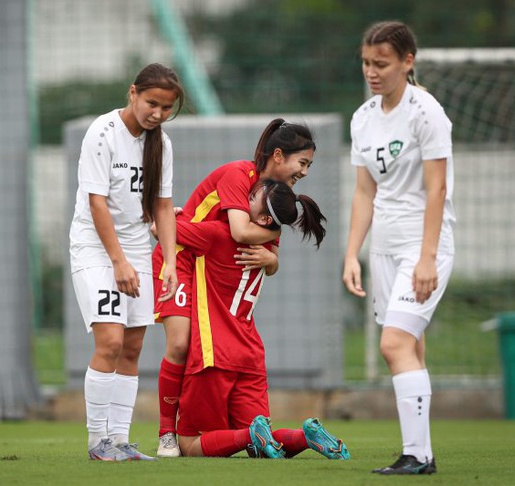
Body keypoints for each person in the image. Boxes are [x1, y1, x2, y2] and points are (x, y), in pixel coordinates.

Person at [154, 118, 316, 457]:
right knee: (181, 344)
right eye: (302, 163)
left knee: (230, 429)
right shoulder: (240, 176)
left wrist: (273, 260)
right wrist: (274, 236)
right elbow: (241, 233)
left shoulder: (271, 202)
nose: (304, 172)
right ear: (278, 155)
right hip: (182, 253)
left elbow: (265, 258)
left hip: (206, 257)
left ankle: (222, 433)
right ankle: (166, 432)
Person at [342, 20, 455, 475]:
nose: (372, 71)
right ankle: (420, 453)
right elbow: (364, 193)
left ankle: (418, 456)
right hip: (384, 250)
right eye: (367, 63)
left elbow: (437, 189)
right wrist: (353, 254)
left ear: (408, 62)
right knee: (411, 347)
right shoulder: (363, 117)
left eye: (381, 63)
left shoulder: (426, 112)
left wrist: (427, 257)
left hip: (424, 246)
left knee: (393, 344)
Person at [173, 178, 347, 460]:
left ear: (265, 217)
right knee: (263, 448)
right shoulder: (268, 247)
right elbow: (271, 261)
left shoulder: (217, 233)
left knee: (190, 444)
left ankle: (251, 433)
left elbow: (161, 229)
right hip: (249, 352)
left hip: (213, 352)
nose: (243, 199)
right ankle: (306, 436)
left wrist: (173, 215)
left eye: (251, 197)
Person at [69, 63, 185, 461]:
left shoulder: (162, 145)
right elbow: (96, 202)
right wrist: (118, 262)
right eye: (152, 103)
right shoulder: (102, 132)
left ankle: (120, 441)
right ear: (133, 92)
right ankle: (96, 442)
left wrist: (169, 261)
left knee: (133, 347)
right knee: (111, 340)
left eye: (166, 108)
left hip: (136, 249)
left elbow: (163, 205)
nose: (157, 113)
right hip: (96, 249)